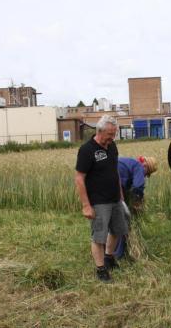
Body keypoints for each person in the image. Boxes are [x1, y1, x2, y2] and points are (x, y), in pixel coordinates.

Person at [74, 115, 128, 282]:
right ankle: (101, 269)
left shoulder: (112, 147)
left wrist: (120, 195)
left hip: (115, 199)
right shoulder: (87, 150)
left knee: (118, 230)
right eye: (110, 134)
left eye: (114, 134)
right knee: (99, 236)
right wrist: (86, 205)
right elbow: (79, 178)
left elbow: (115, 172)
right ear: (99, 131)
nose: (112, 138)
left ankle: (109, 258)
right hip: (98, 202)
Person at [114, 156, 158, 259]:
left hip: (102, 186)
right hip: (114, 189)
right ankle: (118, 254)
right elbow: (138, 187)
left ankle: (106, 252)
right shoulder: (139, 167)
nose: (145, 176)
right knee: (125, 221)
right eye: (147, 174)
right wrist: (137, 203)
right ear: (146, 166)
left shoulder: (130, 162)